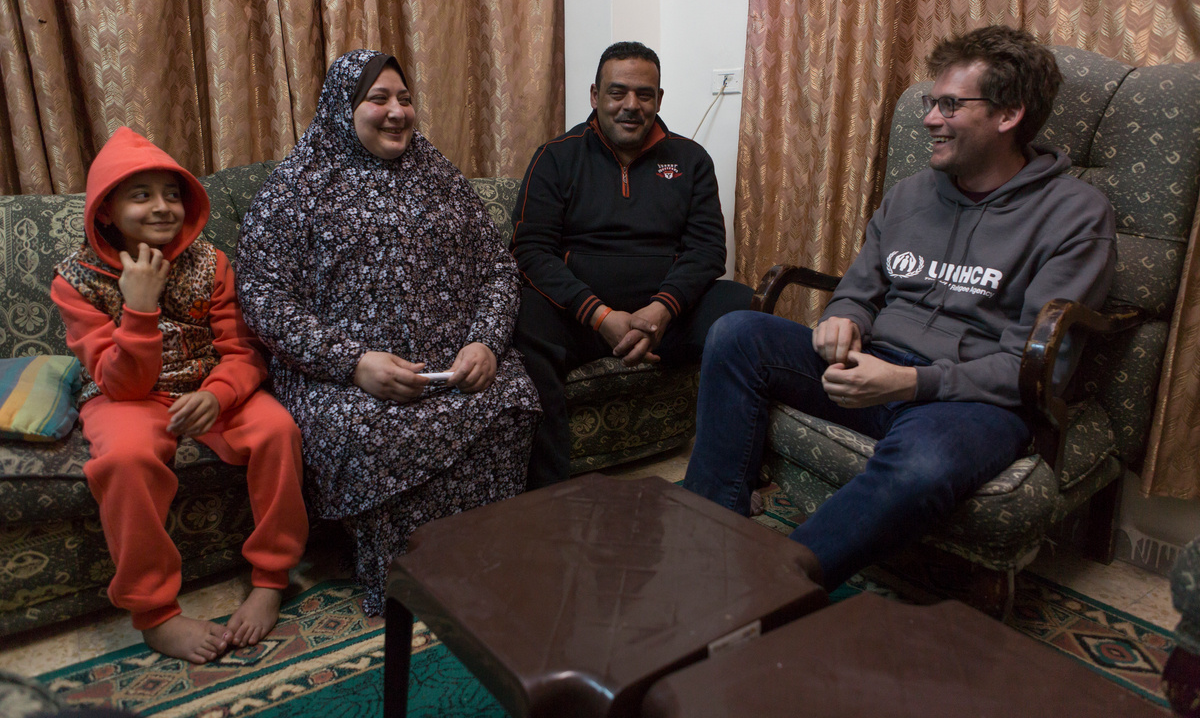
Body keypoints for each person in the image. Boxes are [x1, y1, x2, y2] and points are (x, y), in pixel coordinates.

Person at [683, 25, 1117, 589]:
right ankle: (709, 524)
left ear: (1008, 115)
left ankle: (772, 586)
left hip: (968, 401)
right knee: (737, 330)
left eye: (949, 105)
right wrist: (845, 318)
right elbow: (859, 288)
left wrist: (911, 383)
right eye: (930, 102)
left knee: (923, 466)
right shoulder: (912, 194)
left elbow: (1037, 366)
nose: (930, 118)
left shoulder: (1076, 215)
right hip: (873, 366)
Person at [235, 49, 541, 615]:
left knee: (513, 395)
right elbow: (261, 296)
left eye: (404, 98)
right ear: (341, 108)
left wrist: (485, 342)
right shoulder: (296, 187)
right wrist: (354, 362)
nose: (397, 111)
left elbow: (498, 267)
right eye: (378, 99)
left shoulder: (437, 172)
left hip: (451, 364)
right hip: (342, 379)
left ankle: (485, 558)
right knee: (370, 429)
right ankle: (404, 581)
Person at [51, 127, 308, 663]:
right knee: (124, 458)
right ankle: (155, 614)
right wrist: (139, 307)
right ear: (105, 211)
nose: (162, 207)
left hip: (205, 386)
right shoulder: (75, 280)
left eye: (171, 194)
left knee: (278, 430)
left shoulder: (210, 264)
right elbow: (122, 382)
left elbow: (243, 352)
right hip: (124, 397)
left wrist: (218, 395)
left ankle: (271, 577)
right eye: (140, 195)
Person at [511, 41, 753, 488]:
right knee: (520, 314)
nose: (631, 106)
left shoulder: (691, 160)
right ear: (594, 95)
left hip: (665, 318)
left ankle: (729, 474)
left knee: (740, 309)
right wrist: (600, 316)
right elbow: (530, 251)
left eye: (644, 94)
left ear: (659, 99)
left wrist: (660, 311)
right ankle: (548, 491)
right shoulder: (556, 157)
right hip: (579, 319)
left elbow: (707, 251)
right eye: (617, 92)